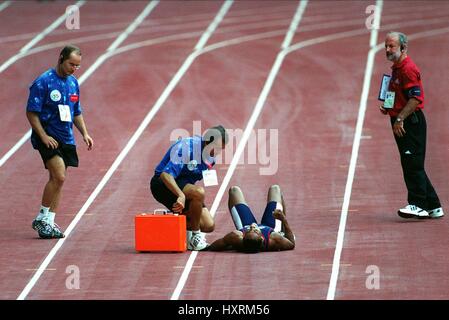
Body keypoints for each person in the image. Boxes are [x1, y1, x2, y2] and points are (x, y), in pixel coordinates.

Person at [26, 45, 94, 239]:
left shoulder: (73, 83)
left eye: (77, 66)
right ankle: (41, 217)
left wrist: (85, 134)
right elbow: (31, 112)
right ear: (61, 58)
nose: (74, 68)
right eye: (71, 64)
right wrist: (43, 136)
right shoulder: (43, 81)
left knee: (58, 180)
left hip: (66, 138)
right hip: (48, 136)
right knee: (59, 175)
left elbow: (76, 112)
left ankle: (49, 221)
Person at [380, 32, 443, 219]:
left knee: (412, 163)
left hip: (410, 122)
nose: (388, 50)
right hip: (402, 119)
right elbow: (398, 93)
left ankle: (418, 204)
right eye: (386, 46)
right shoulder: (397, 69)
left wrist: (399, 119)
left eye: (392, 46)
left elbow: (416, 98)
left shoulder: (408, 69)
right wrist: (389, 107)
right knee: (413, 163)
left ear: (403, 48)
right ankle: (433, 206)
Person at [150, 125, 229, 251]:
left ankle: (170, 222)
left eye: (221, 149)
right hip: (162, 184)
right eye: (217, 147)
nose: (218, 152)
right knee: (198, 192)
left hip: (182, 184)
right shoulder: (187, 148)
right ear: (208, 141)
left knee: (209, 225)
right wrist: (181, 195)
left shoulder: (210, 158)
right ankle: (194, 236)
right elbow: (166, 175)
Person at [208, 185, 295, 253]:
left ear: (243, 237)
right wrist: (283, 219)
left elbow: (215, 246)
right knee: (275, 188)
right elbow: (291, 244)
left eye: (249, 230)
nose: (253, 227)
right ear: (262, 238)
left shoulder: (236, 237)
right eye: (256, 230)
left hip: (244, 225)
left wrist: (209, 247)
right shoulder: (274, 239)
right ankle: (283, 230)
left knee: (234, 190)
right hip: (271, 227)